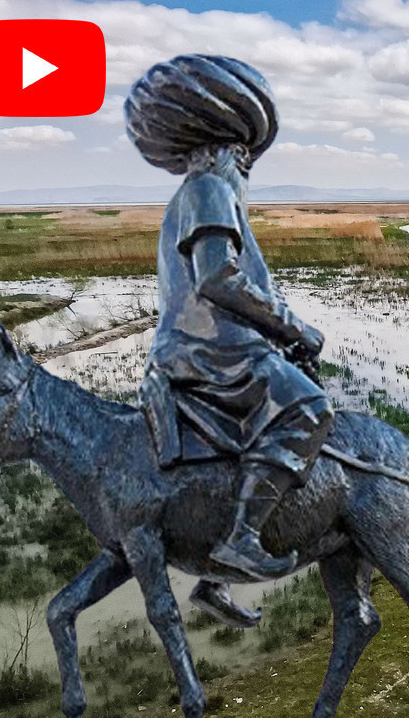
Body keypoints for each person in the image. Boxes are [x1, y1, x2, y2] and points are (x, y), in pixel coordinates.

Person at [126, 55, 334, 592]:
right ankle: (241, 539)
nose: (246, 169)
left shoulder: (193, 197)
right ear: (218, 151)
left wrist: (279, 335)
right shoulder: (209, 190)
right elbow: (219, 279)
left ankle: (212, 578)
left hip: (202, 349)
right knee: (309, 410)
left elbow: (247, 283)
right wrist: (293, 331)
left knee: (245, 436)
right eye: (242, 157)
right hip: (212, 353)